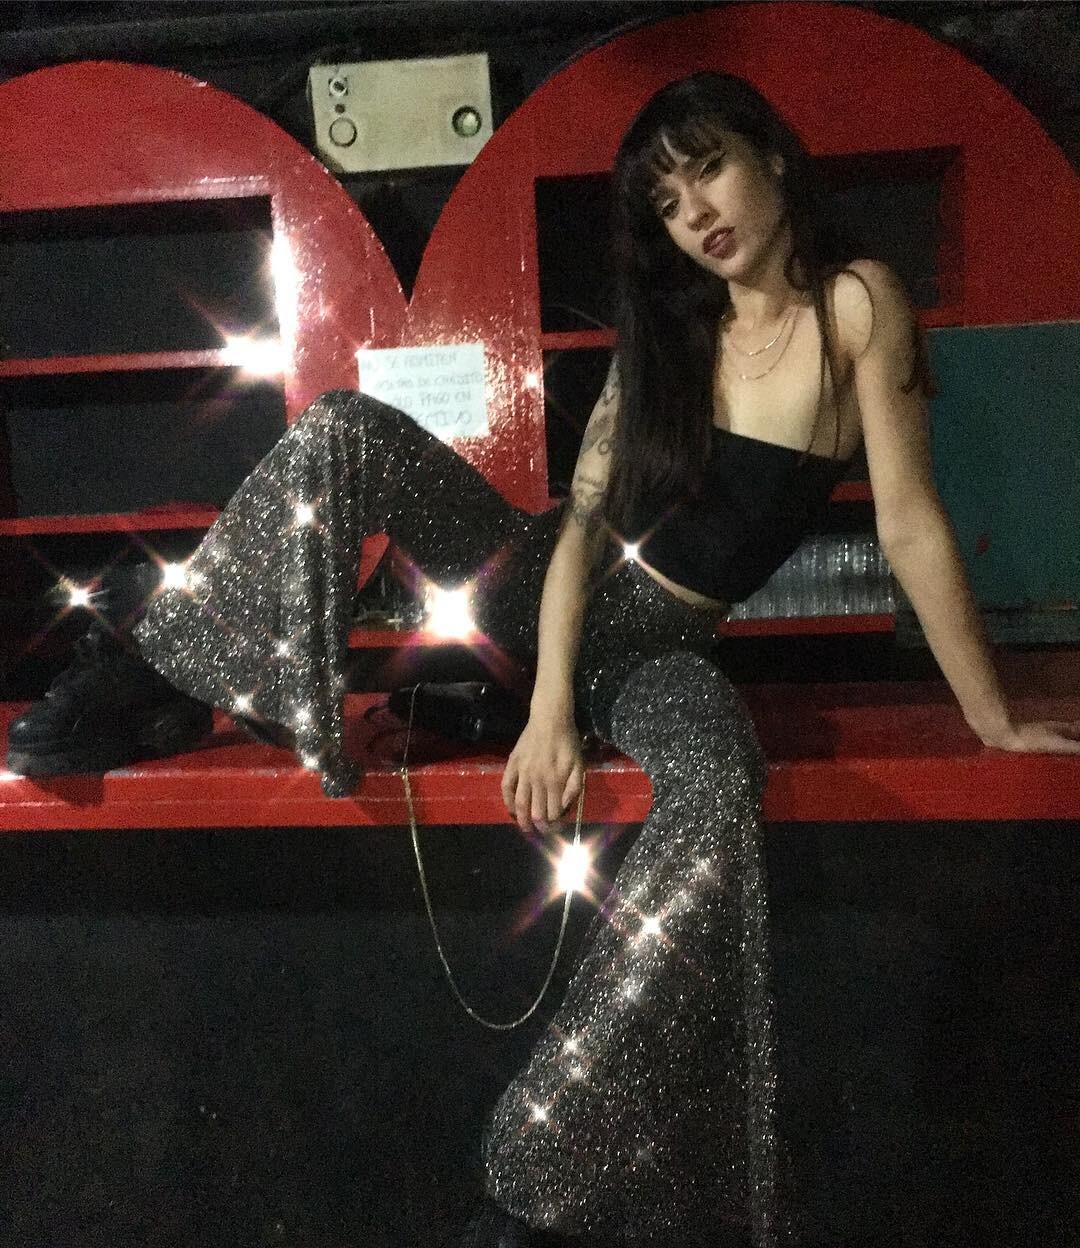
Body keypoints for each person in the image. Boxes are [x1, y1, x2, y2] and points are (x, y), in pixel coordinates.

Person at [7, 70, 1079, 1247]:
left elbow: (911, 523)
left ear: (773, 158)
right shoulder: (669, 335)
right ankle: (156, 681)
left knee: (720, 775)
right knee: (347, 427)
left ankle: (553, 1173)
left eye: (709, 171)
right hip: (531, 588)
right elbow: (578, 534)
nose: (696, 213)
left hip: (654, 648)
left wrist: (991, 718)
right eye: (667, 202)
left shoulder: (859, 304)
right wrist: (551, 708)